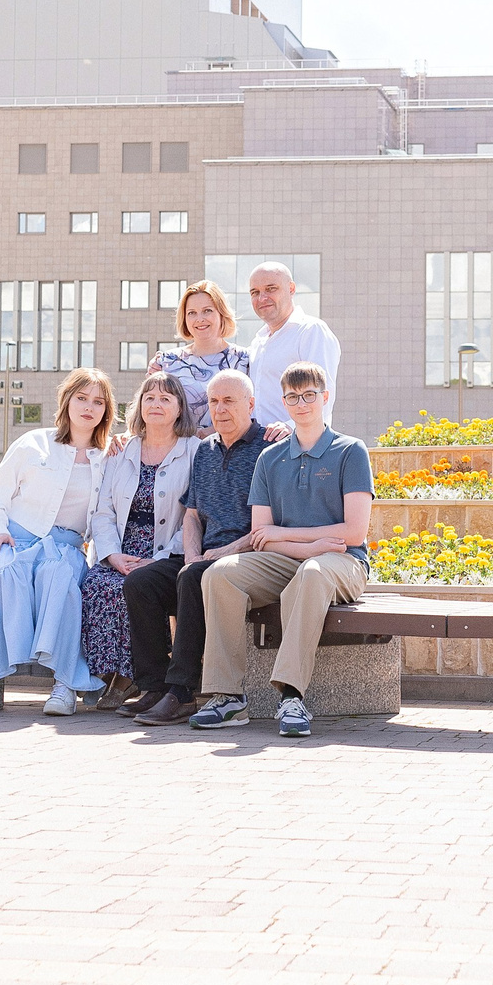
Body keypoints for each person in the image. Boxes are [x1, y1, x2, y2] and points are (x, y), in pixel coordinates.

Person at [193, 361, 371, 738]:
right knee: (220, 575)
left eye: (309, 395)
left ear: (324, 397)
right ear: (284, 402)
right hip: (292, 558)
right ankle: (228, 698)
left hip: (342, 563)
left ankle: (291, 696)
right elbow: (261, 533)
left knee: (313, 572)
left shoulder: (350, 451)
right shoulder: (270, 458)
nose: (301, 403)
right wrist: (313, 544)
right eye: (292, 397)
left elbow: (353, 533)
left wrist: (306, 545)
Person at [0, 368, 117, 714]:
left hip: (64, 549)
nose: (89, 407)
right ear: (66, 400)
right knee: (6, 574)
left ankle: (64, 687)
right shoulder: (33, 443)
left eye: (98, 402)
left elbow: (106, 516)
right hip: (14, 541)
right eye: (81, 398)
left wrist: (109, 556)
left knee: (62, 580)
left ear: (106, 410)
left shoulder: (109, 457)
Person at [126, 368, 271, 726]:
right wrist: (192, 554)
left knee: (193, 578)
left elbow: (269, 526)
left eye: (229, 401)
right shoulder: (205, 450)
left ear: (251, 404)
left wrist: (220, 554)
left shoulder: (269, 450)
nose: (219, 409)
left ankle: (182, 692)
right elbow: (191, 514)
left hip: (247, 560)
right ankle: (155, 686)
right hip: (202, 559)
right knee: (141, 583)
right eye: (213, 402)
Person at [81, 372, 201, 711]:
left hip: (169, 551)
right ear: (140, 406)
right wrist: (112, 555)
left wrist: (162, 557)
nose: (156, 404)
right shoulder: (121, 449)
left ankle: (138, 680)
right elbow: (102, 511)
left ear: (180, 408)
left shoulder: (195, 450)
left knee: (140, 584)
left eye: (166, 398)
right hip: (122, 550)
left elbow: (195, 516)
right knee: (98, 585)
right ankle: (114, 678)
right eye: (150, 398)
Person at [244, 262, 343, 428]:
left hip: (300, 444)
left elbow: (324, 393)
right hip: (261, 445)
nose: (262, 298)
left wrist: (290, 427)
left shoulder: (310, 331)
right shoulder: (257, 343)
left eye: (270, 289)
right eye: (255, 292)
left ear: (291, 289)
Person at [150, 281, 253, 432]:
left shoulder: (244, 360)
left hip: (230, 450)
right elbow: (150, 411)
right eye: (192, 313)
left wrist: (211, 433)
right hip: (178, 451)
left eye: (207, 311)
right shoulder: (167, 362)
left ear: (221, 313)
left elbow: (253, 411)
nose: (199, 319)